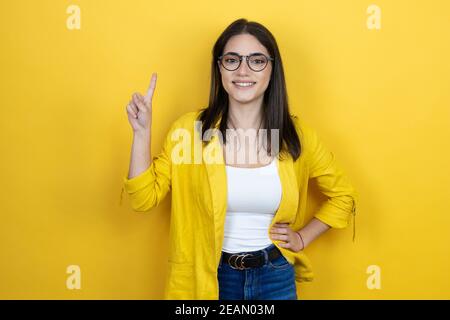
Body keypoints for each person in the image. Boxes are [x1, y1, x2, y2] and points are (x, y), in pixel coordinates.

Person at [121, 18, 358, 300]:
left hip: (275, 278)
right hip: (207, 278)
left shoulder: (296, 136)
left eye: (257, 60)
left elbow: (344, 197)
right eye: (232, 60)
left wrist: (302, 237)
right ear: (219, 67)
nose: (243, 70)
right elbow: (142, 198)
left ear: (272, 68)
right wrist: (141, 132)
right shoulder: (189, 131)